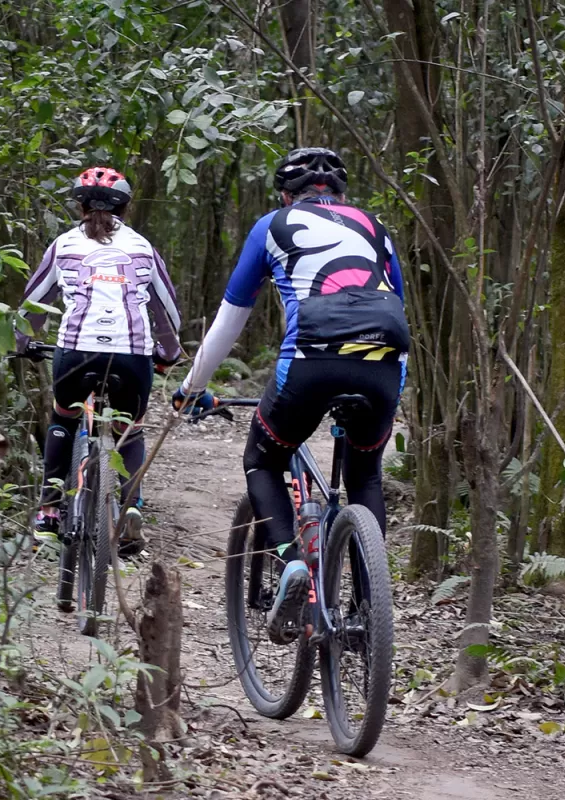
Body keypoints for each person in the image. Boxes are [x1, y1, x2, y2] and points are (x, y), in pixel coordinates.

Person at [173, 147, 409, 644]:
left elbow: (230, 319)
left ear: (286, 194)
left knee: (262, 459)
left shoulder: (273, 224)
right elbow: (398, 311)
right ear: (342, 196)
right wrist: (396, 386)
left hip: (309, 362)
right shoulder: (377, 228)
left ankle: (289, 562)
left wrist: (192, 386)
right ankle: (369, 614)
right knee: (366, 473)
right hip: (384, 363)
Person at [17, 166, 182, 552]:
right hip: (132, 355)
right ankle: (130, 507)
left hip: (77, 350)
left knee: (64, 416)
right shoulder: (143, 247)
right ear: (125, 206)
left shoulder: (63, 245)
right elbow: (167, 311)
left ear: (78, 206)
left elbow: (34, 302)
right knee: (131, 428)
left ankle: (49, 512)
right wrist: (169, 353)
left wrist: (24, 341)